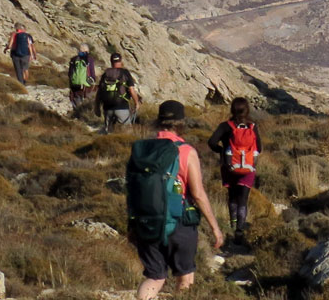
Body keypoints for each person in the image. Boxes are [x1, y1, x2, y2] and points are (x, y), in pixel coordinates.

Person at [126, 101, 222, 299]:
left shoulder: (143, 150)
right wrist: (215, 227)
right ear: (181, 123)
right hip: (179, 223)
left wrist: (132, 224)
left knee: (154, 276)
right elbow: (197, 194)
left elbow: (132, 189)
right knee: (185, 277)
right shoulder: (186, 151)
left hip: (147, 222)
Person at [206, 97, 262, 246]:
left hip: (229, 166)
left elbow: (211, 142)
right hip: (248, 169)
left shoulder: (226, 126)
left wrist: (223, 152)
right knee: (243, 199)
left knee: (232, 196)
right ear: (247, 110)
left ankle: (232, 225)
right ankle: (240, 230)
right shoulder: (252, 126)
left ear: (232, 110)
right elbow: (259, 148)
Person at [97, 53, 140, 132]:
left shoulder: (106, 74)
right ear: (121, 61)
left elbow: (99, 92)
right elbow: (131, 89)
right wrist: (136, 103)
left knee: (108, 132)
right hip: (122, 107)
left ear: (111, 62)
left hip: (107, 108)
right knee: (127, 132)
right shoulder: (125, 73)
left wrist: (97, 107)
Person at [67, 44, 98, 115]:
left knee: (76, 101)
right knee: (87, 101)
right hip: (86, 85)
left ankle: (76, 114)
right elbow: (92, 73)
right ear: (87, 51)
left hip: (75, 85)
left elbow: (70, 73)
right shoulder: (90, 59)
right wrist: (93, 80)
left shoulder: (73, 59)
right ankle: (84, 115)